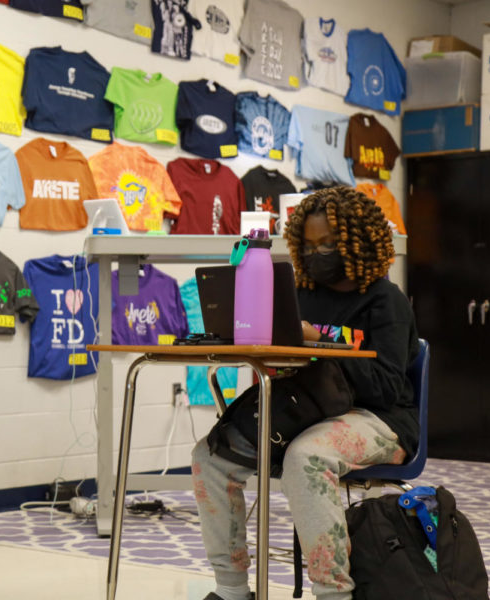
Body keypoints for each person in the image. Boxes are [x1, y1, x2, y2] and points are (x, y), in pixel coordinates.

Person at [192, 186, 419, 600]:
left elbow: (386, 387)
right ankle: (231, 590)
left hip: (380, 420)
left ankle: (333, 593)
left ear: (357, 241)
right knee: (209, 457)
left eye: (328, 243)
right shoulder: (298, 296)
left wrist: (321, 346)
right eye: (309, 245)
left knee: (306, 459)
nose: (318, 254)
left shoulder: (387, 302)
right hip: (306, 409)